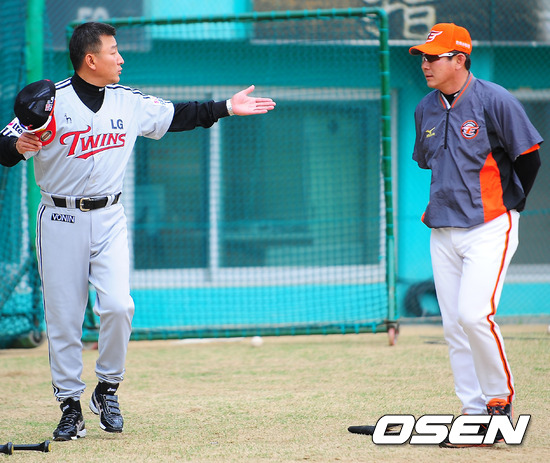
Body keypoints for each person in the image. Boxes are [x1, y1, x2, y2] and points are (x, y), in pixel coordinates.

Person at [0, 21, 275, 441]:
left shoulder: (127, 102)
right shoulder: (50, 101)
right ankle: (70, 407)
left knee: (119, 305)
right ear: (90, 59)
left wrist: (225, 107)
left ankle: (107, 389)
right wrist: (17, 146)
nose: (121, 58)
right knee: (64, 318)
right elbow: (4, 146)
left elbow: (178, 115)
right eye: (113, 51)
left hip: (109, 217)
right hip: (59, 218)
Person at [409, 23, 542, 447]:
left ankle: (499, 404)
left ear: (460, 60)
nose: (426, 64)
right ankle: (472, 416)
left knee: (474, 316)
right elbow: (430, 162)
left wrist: (512, 205)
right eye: (424, 57)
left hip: (489, 226)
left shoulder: (495, 99)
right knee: (453, 326)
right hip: (443, 228)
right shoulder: (425, 108)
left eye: (434, 57)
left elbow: (529, 158)